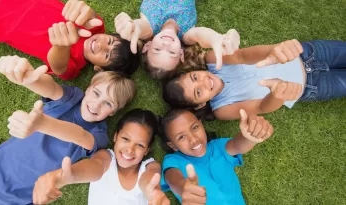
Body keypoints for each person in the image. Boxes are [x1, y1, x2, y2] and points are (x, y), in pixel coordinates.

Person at [0, 55, 135, 205]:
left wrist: (43, 124)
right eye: (96, 93)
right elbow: (51, 89)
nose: (97, 104)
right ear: (88, 88)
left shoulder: (99, 134)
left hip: (15, 200)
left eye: (108, 103)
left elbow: (80, 135)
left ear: (113, 112)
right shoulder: (72, 98)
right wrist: (29, 78)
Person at [162, 39, 346, 120]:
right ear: (200, 105)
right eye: (198, 92)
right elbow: (260, 107)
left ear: (194, 70)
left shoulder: (213, 60)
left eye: (195, 77)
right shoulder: (222, 110)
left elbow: (242, 56)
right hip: (311, 87)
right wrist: (277, 95)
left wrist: (272, 50)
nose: (204, 82)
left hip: (306, 53)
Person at [0, 0, 139, 79]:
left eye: (106, 55)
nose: (100, 45)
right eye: (109, 41)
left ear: (98, 68)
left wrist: (61, 46)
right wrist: (82, 8)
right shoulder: (95, 26)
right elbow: (90, 15)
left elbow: (58, 67)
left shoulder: (74, 66)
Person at [33, 109, 170, 205]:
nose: (130, 149)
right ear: (115, 136)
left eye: (140, 145)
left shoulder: (150, 167)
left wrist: (154, 193)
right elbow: (94, 166)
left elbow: (149, 182)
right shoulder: (106, 158)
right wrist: (67, 176)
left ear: (147, 150)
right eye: (125, 139)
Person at [159, 109, 274, 205]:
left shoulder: (218, 146)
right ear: (173, 145)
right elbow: (171, 177)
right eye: (181, 137)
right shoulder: (173, 160)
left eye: (195, 128)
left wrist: (249, 137)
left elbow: (237, 145)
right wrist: (183, 187)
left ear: (201, 125)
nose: (193, 139)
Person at [114, 0, 240, 79]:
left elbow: (140, 28)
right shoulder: (187, 34)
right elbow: (200, 35)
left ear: (148, 46)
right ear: (181, 53)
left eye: (157, 49)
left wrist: (132, 26)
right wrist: (214, 38)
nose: (166, 45)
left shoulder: (149, 27)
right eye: (171, 52)